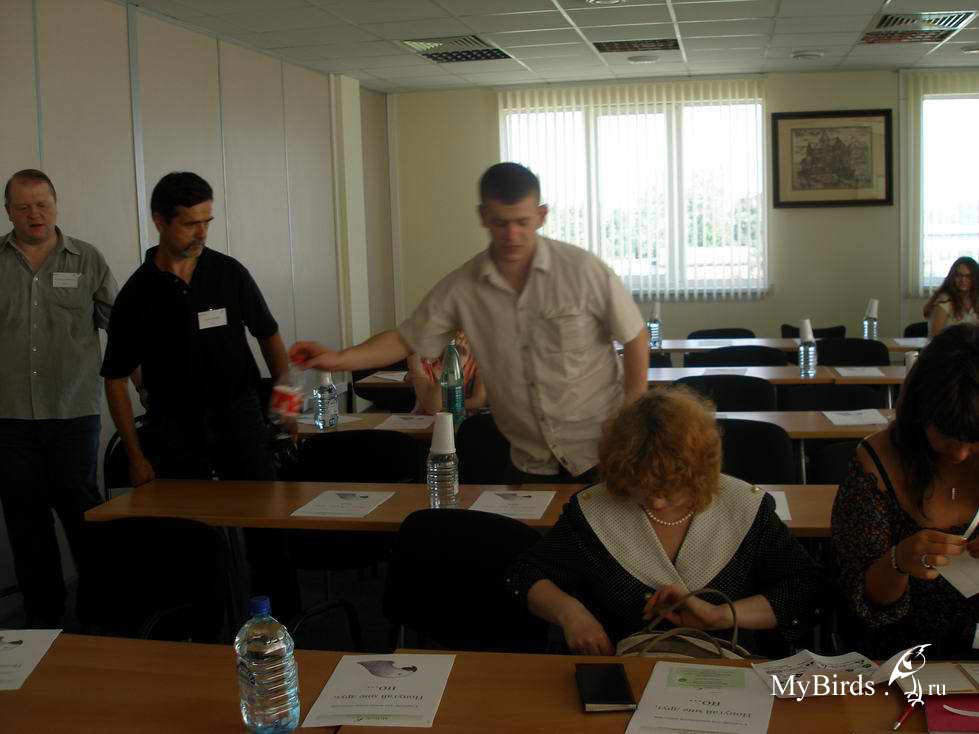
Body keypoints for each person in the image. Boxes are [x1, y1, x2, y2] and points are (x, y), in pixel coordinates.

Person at [291, 162, 649, 484]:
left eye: (522, 222)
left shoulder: (582, 270)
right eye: (500, 223)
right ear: (483, 216)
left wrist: (633, 423)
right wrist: (338, 359)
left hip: (603, 451)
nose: (512, 235)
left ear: (541, 215)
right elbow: (405, 339)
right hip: (531, 462)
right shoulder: (463, 286)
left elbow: (635, 338)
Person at [100, 171, 299, 620]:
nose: (202, 233)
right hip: (176, 429)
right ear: (160, 221)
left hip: (240, 420)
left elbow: (270, 337)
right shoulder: (138, 293)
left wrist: (288, 405)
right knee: (189, 539)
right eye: (191, 223)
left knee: (269, 531)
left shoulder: (228, 273)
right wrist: (135, 456)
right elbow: (114, 378)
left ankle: (285, 626)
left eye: (207, 221)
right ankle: (202, 628)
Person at [506, 386, 822, 655]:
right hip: (623, 669)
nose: (656, 502)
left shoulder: (744, 507)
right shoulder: (593, 511)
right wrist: (570, 613)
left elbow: (807, 587)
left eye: (671, 489)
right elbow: (525, 573)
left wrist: (720, 615)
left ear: (699, 472)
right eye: (641, 488)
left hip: (726, 674)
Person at [0, 169, 117, 628]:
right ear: (8, 211)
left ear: (56, 204)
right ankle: (43, 624)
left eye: (43, 204)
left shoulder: (87, 259)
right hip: (9, 418)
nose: (35, 214)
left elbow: (121, 329)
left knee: (85, 519)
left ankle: (99, 618)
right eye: (24, 207)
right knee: (26, 528)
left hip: (73, 413)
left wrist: (146, 385)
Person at [832, 323, 979, 660]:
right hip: (900, 657)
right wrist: (898, 561)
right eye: (946, 434)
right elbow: (862, 605)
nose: (959, 454)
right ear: (919, 412)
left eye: (974, 438)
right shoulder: (876, 464)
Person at [407, 330, 486, 415]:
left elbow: (479, 401)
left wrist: (444, 406)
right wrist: (457, 362)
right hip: (427, 420)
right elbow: (433, 408)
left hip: (464, 420)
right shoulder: (417, 356)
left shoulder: (479, 356)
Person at [924, 256, 979, 336]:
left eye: (968, 276)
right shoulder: (944, 300)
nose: (963, 280)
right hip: (945, 343)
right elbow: (935, 336)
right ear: (952, 277)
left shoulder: (975, 299)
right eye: (959, 275)